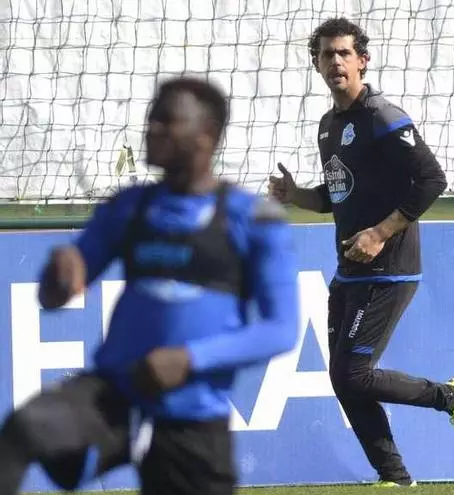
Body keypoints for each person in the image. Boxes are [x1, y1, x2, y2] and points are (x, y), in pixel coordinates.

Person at [0, 76, 300, 494]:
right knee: (25, 428)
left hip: (192, 419)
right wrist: (58, 273)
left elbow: (281, 330)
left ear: (206, 135)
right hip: (114, 397)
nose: (151, 127)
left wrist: (188, 360)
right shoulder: (128, 207)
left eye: (166, 120)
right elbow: (53, 295)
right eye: (151, 117)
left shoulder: (252, 220)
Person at [268, 17, 454, 488]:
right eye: (326, 54)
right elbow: (337, 196)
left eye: (344, 53)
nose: (335, 62)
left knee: (355, 374)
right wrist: (296, 195)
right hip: (350, 270)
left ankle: (452, 398)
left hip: (390, 268)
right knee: (344, 378)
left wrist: (381, 233)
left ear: (362, 61)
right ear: (317, 64)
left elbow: (432, 179)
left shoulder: (383, 116)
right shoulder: (329, 126)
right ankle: (395, 478)